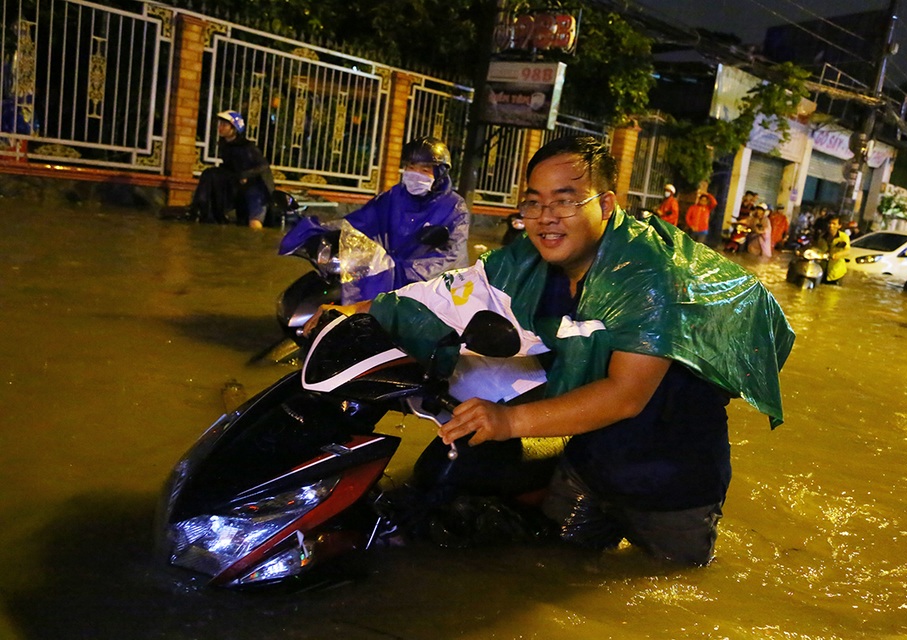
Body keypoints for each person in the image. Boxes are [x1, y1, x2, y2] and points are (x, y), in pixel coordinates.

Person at [306, 136, 794, 567]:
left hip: (669, 484)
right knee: (550, 567)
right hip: (586, 464)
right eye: (533, 203)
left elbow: (625, 396)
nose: (544, 219)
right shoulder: (532, 258)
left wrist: (506, 422)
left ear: (605, 205)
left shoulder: (649, 274)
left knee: (667, 592)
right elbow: (451, 293)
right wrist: (352, 314)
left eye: (564, 202)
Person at [339, 136, 470, 302]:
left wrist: (402, 271)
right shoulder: (394, 196)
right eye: (411, 167)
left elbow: (450, 256)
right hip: (387, 279)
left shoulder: (454, 206)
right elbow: (363, 220)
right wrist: (332, 232)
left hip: (432, 291)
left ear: (439, 174)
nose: (415, 175)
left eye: (424, 170)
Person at [189, 110, 275, 229]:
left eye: (224, 125)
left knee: (254, 224)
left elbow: (263, 166)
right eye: (220, 124)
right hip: (240, 187)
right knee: (210, 174)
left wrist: (245, 175)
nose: (220, 127)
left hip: (257, 188)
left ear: (234, 128)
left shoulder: (247, 146)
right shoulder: (225, 145)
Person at [815, 213, 850, 284]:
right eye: (830, 223)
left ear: (839, 226)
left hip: (836, 272)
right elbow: (817, 249)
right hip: (822, 270)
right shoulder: (822, 236)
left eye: (834, 224)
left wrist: (837, 255)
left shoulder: (843, 237)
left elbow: (847, 251)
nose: (831, 226)